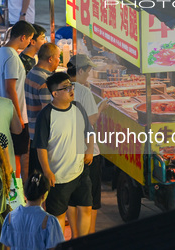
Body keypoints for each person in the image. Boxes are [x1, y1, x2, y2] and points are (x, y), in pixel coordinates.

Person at [32, 72, 93, 238]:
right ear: (55, 93)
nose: (71, 90)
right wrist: (47, 171)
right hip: (57, 176)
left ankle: (80, 242)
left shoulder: (78, 108)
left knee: (85, 208)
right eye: (65, 88)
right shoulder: (46, 116)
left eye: (70, 86)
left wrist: (90, 150)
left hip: (81, 170)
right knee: (58, 215)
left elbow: (89, 132)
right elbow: (41, 147)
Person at [66, 54, 109, 235]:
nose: (89, 75)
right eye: (88, 71)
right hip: (87, 152)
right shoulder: (84, 92)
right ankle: (89, 237)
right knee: (90, 201)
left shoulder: (61, 87)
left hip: (67, 151)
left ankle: (75, 236)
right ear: (81, 70)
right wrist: (100, 108)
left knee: (71, 199)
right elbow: (90, 120)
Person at [0, 21, 35, 181]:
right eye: (29, 39)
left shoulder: (1, 52)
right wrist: (17, 117)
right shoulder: (11, 56)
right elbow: (10, 88)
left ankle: (12, 189)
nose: (29, 43)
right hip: (14, 117)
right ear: (23, 37)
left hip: (4, 114)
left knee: (10, 156)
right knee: (16, 156)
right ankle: (15, 192)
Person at [0, 171, 65, 250]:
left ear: (24, 192)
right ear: (44, 195)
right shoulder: (49, 221)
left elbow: (6, 247)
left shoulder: (10, 217)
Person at [26, 43, 61, 174]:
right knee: (43, 175)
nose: (59, 61)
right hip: (43, 137)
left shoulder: (32, 72)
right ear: (50, 59)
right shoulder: (45, 81)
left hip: (33, 132)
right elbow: (48, 112)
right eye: (58, 57)